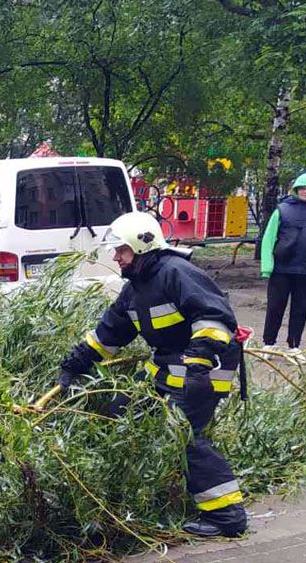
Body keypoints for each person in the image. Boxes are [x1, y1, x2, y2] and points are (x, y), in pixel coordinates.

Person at [59, 211, 247, 539]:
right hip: (167, 368)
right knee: (123, 409)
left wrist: (200, 360)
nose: (115, 256)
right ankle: (148, 488)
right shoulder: (135, 289)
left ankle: (227, 516)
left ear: (142, 247)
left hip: (205, 369)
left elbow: (215, 317)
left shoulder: (176, 273)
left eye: (121, 250)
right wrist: (72, 367)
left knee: (183, 433)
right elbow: (109, 335)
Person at [258, 172, 306, 356]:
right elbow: (268, 238)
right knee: (275, 306)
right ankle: (268, 344)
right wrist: (267, 267)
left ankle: (294, 346)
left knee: (300, 309)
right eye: (303, 188)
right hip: (281, 269)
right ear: (296, 190)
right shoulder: (282, 209)